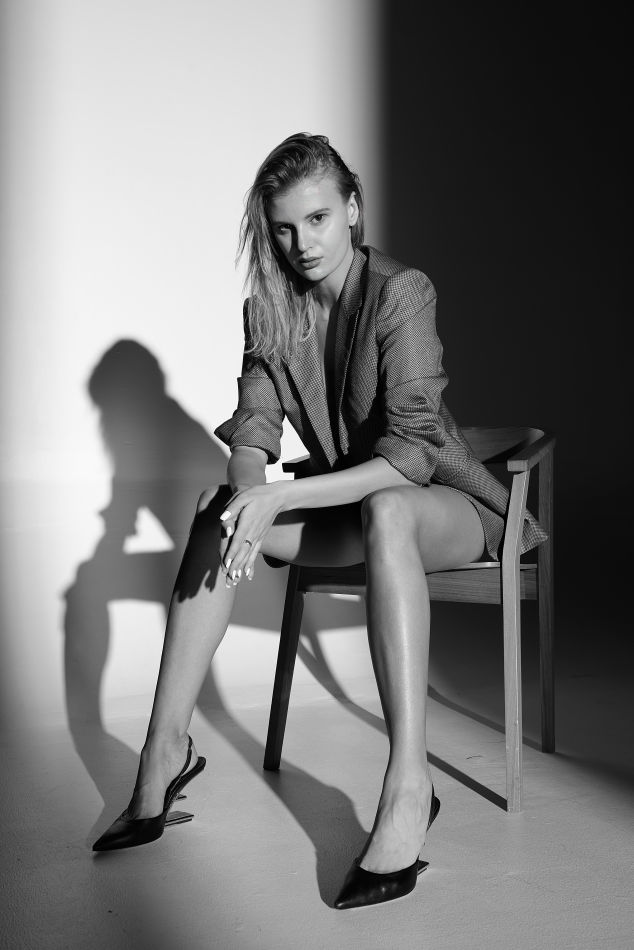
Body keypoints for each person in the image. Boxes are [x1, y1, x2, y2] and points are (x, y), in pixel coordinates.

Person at [93, 133, 546, 908]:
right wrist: (249, 494)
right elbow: (253, 432)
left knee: (389, 510)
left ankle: (409, 785)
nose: (302, 243)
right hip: (354, 505)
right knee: (212, 510)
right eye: (284, 227)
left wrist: (283, 497)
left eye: (318, 219)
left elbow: (411, 455)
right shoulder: (268, 308)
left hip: (446, 503)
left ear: (352, 209)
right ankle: (164, 752)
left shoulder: (402, 292)